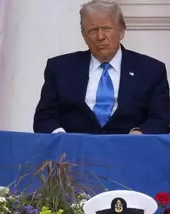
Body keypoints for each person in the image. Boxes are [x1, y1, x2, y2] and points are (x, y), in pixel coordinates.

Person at [33, 0, 170, 134]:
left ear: (121, 31)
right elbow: (44, 117)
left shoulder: (151, 70)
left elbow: (161, 118)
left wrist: (138, 135)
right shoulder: (60, 68)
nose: (100, 37)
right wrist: (61, 139)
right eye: (93, 31)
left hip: (129, 151)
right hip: (74, 152)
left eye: (106, 29)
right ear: (84, 35)